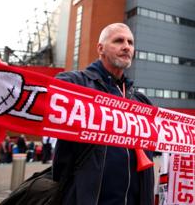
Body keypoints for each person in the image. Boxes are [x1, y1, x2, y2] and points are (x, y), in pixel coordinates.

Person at [51, 23, 154, 204]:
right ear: (101, 48)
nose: (126, 46)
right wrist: (8, 80)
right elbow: (39, 93)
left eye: (130, 42)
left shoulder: (140, 101)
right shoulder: (76, 83)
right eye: (118, 41)